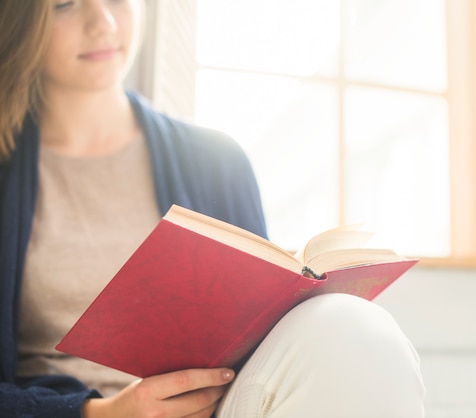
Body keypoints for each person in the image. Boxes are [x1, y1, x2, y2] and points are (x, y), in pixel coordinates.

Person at [0, 0, 426, 417]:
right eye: (64, 5)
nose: (103, 22)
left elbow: (267, 331)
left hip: (221, 405)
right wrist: (101, 412)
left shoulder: (216, 161)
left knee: (353, 325)